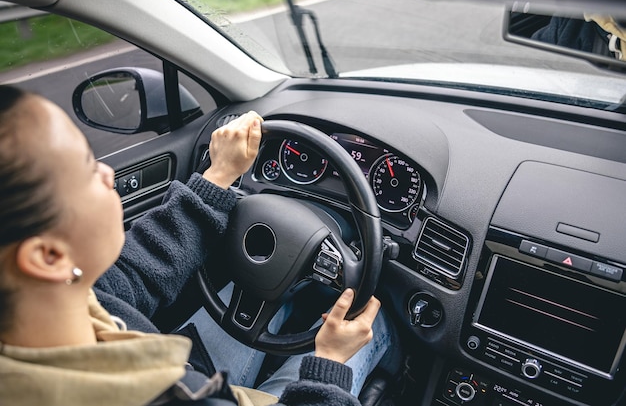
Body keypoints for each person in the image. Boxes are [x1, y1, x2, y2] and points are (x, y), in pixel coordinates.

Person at [0, 85, 396, 406]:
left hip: (183, 368)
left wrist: (218, 175)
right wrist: (329, 363)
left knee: (278, 296)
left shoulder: (68, 301)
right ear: (47, 257)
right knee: (373, 323)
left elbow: (137, 273)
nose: (107, 172)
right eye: (87, 168)